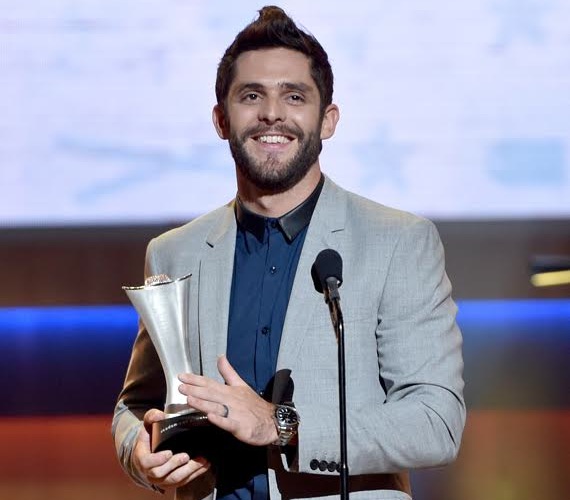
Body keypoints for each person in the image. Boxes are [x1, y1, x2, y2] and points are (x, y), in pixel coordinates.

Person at [112, 5, 466, 500]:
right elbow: (136, 405)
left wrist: (282, 426)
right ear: (220, 119)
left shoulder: (398, 242)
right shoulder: (175, 252)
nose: (272, 113)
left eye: (294, 96)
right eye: (251, 96)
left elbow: (435, 422)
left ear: (328, 120)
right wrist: (141, 453)